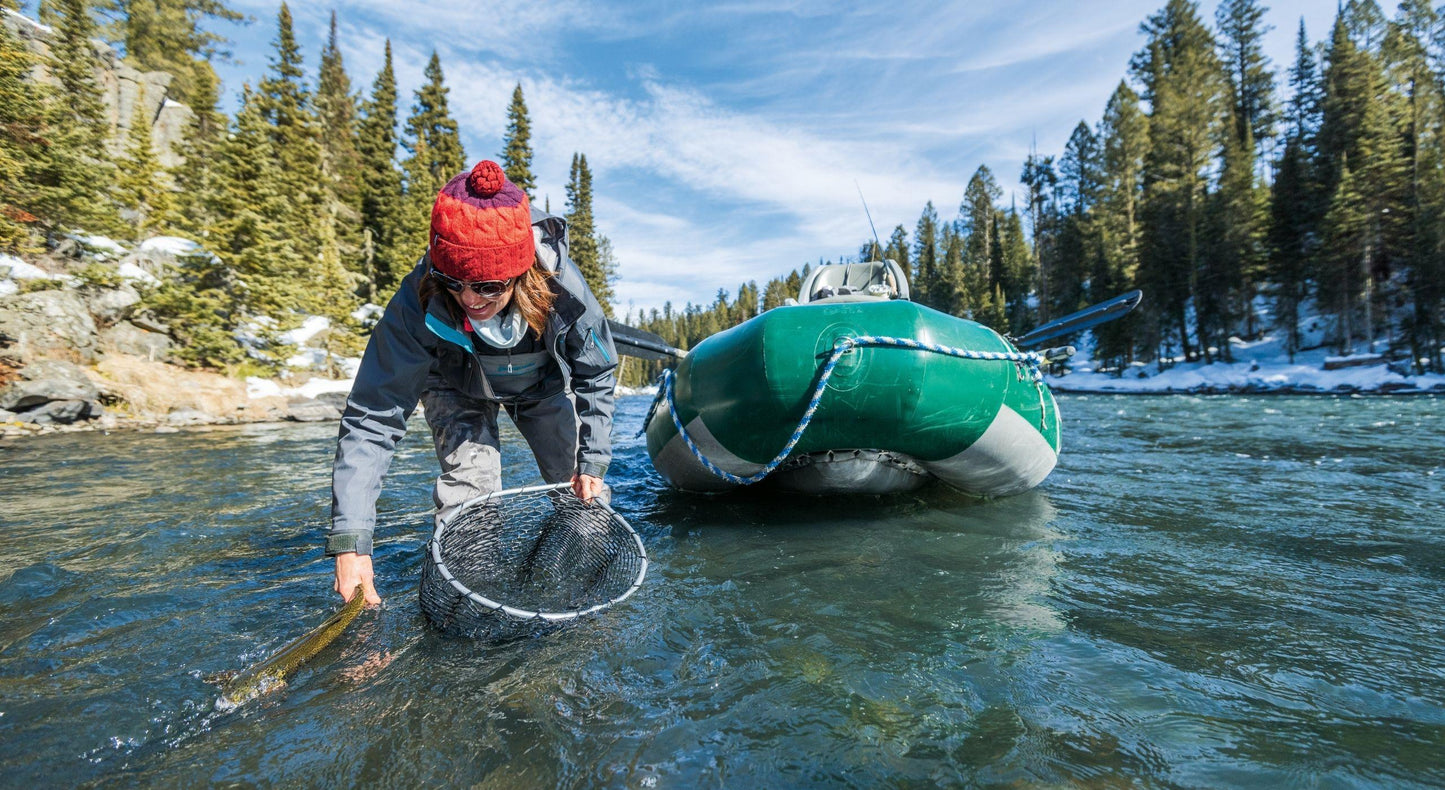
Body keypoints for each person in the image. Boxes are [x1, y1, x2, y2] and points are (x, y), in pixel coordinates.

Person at [326, 160, 618, 605]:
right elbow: (373, 416)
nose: (468, 299)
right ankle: (467, 600)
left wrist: (593, 460)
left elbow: (595, 372)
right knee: (471, 498)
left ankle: (593, 591)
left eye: (487, 286)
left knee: (579, 490)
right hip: (455, 384)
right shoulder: (418, 299)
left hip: (537, 386)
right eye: (453, 281)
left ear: (519, 273)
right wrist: (351, 540)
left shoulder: (562, 289)